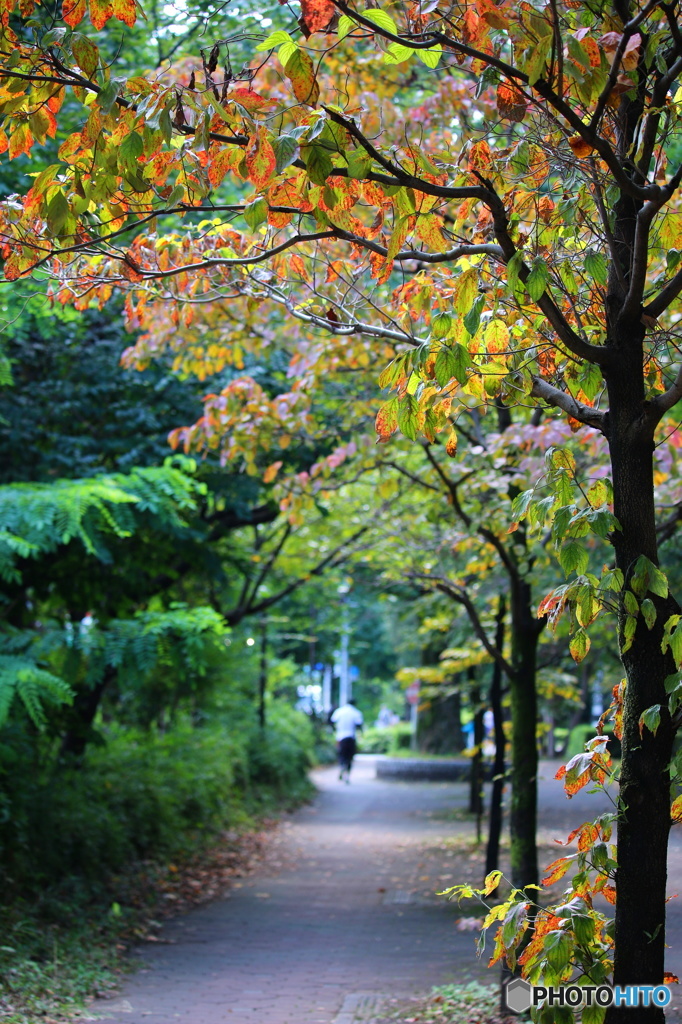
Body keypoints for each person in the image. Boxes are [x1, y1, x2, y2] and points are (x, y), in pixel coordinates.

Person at [330, 698, 363, 783]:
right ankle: (347, 774)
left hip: (340, 737)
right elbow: (359, 725)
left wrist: (335, 731)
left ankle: (341, 767)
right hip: (351, 737)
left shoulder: (339, 711)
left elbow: (332, 721)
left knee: (341, 755)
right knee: (350, 757)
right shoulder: (356, 712)